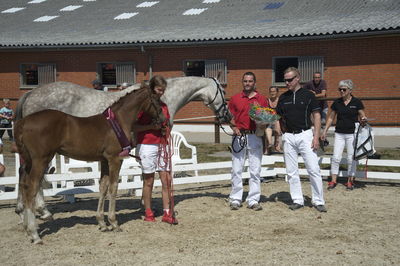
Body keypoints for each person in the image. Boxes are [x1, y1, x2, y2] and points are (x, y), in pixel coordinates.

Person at [276, 67, 326, 212]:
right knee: (291, 171)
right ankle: (297, 199)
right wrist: (278, 137)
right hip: (288, 136)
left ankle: (318, 201)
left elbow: (316, 116)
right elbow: (277, 118)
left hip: (305, 134)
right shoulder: (283, 98)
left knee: (313, 169)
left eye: (290, 79)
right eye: (285, 80)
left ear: (298, 78)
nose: (287, 82)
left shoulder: (308, 95)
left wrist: (316, 136)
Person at [133, 75, 177, 224]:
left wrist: (166, 130)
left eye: (163, 90)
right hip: (147, 144)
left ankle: (166, 212)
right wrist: (151, 127)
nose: (161, 93)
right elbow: (134, 127)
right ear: (152, 88)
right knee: (149, 180)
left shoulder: (163, 106)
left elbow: (168, 124)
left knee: (166, 179)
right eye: (159, 89)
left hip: (162, 144)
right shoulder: (144, 106)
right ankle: (148, 212)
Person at [228, 72, 269, 211]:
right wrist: (233, 127)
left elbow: (266, 121)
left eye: (250, 81)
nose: (247, 83)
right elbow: (230, 117)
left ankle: (253, 199)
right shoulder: (235, 99)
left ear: (254, 83)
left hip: (255, 136)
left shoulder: (262, 99)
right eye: (245, 81)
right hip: (239, 136)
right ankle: (235, 198)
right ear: (242, 82)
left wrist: (262, 122)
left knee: (255, 170)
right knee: (236, 169)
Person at [321, 80, 367, 191]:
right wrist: (325, 131)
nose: (341, 91)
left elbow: (362, 115)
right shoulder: (337, 102)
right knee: (336, 157)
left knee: (352, 158)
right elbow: (331, 117)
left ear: (350, 90)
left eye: (344, 89)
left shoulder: (356, 102)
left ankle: (350, 181)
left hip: (352, 134)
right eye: (340, 89)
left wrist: (363, 120)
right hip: (339, 133)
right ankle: (333, 180)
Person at [264, 86, 281, 154]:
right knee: (268, 127)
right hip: (269, 120)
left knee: (276, 122)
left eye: (274, 91)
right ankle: (271, 144)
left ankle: (274, 144)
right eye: (271, 91)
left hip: (278, 120)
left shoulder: (280, 101)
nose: (272, 93)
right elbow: (264, 112)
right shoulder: (267, 101)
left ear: (277, 92)